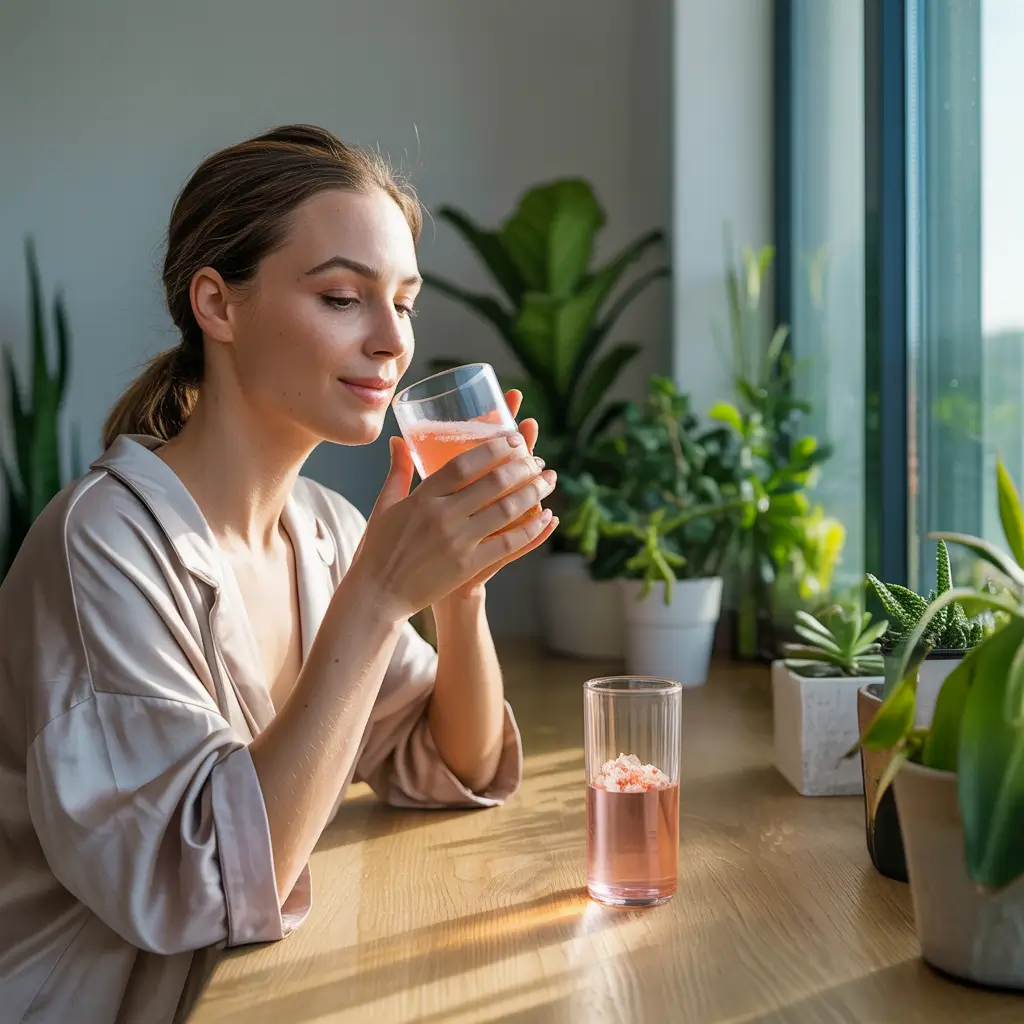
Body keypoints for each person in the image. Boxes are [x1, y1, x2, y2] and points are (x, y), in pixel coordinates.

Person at [0, 124, 558, 1023]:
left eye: (405, 302)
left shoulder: (329, 533)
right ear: (217, 306)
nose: (392, 342)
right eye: (343, 297)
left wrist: (461, 594)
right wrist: (378, 599)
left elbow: (451, 763)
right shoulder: (100, 544)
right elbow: (199, 892)